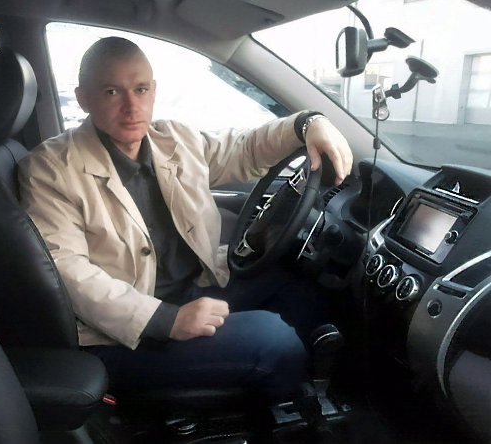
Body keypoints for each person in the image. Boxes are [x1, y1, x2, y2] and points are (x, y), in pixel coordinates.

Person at [18, 37, 353, 400]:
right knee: (273, 339)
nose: (132, 107)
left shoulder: (173, 139)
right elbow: (66, 272)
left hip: (193, 288)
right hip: (119, 334)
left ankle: (319, 383)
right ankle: (295, 410)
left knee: (296, 283)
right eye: (112, 92)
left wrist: (307, 124)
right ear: (84, 98)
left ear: (153, 90)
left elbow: (245, 149)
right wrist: (166, 319)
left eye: (140, 89)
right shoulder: (51, 168)